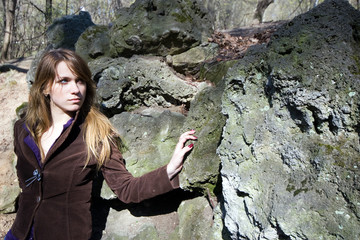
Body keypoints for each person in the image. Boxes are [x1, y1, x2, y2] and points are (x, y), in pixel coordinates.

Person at [5, 48, 197, 240]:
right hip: (19, 233)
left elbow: (126, 189)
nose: (75, 89)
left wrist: (170, 170)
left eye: (80, 81)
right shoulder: (23, 130)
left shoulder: (96, 134)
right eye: (64, 80)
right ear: (45, 87)